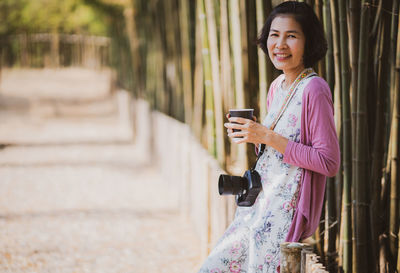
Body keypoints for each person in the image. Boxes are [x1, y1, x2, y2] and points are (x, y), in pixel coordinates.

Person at [198, 1, 340, 272]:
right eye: (274, 35)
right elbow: (279, 152)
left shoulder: (315, 89)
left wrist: (268, 135)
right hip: (258, 206)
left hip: (284, 216)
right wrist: (256, 136)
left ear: (308, 42)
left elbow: (328, 161)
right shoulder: (278, 86)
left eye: (292, 36)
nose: (280, 44)